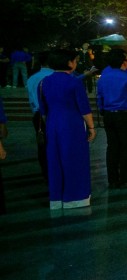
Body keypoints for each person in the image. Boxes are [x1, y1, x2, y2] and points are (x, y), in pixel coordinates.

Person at [39, 48, 95, 210]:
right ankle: (76, 197)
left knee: (55, 160)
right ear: (69, 63)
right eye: (75, 60)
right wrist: (91, 127)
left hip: (53, 124)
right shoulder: (74, 82)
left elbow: (43, 110)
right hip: (72, 125)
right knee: (75, 159)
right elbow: (84, 108)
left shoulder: (44, 82)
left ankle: (57, 198)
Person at [96, 48, 127, 189]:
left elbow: (99, 97)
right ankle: (125, 177)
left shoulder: (103, 78)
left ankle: (112, 178)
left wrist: (103, 111)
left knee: (112, 147)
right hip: (125, 115)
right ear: (123, 62)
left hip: (109, 114)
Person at [25, 51, 53, 182]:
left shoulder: (32, 78)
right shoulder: (52, 76)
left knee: (42, 146)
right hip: (51, 114)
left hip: (37, 115)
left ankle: (46, 173)